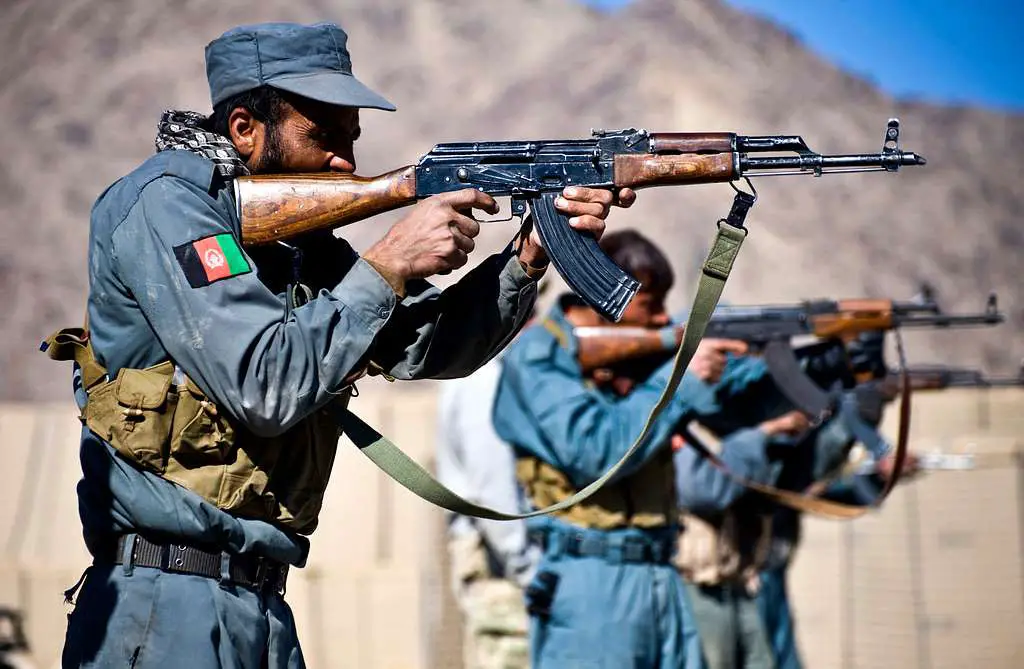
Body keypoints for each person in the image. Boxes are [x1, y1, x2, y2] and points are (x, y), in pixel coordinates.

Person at [47, 21, 633, 668]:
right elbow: (262, 385)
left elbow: (423, 348)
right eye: (322, 136)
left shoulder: (303, 246)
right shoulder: (165, 207)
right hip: (165, 607)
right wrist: (386, 263)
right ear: (245, 128)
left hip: (262, 602)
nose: (346, 163)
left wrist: (528, 254)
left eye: (351, 139)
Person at [492, 229, 748, 669]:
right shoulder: (540, 355)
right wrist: (679, 381)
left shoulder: (638, 360)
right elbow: (595, 451)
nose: (659, 321)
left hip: (660, 573)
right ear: (607, 293)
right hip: (592, 580)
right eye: (650, 305)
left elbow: (735, 404)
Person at [436, 352, 540, 669]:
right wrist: (531, 570)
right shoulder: (485, 380)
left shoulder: (480, 372)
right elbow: (493, 493)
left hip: (503, 566)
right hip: (503, 573)